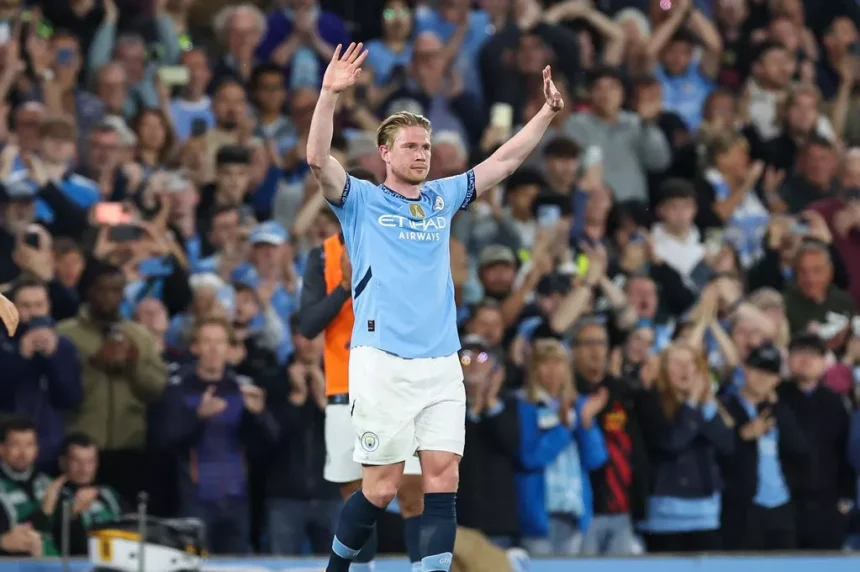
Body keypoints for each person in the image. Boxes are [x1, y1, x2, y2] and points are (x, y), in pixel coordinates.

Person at [307, 42, 565, 572]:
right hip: (382, 360)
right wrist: (329, 93)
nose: (421, 154)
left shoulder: (442, 198)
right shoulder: (359, 200)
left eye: (425, 146)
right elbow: (316, 159)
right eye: (410, 146)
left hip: (442, 362)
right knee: (380, 489)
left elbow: (504, 161)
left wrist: (545, 113)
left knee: (442, 478)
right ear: (385, 153)